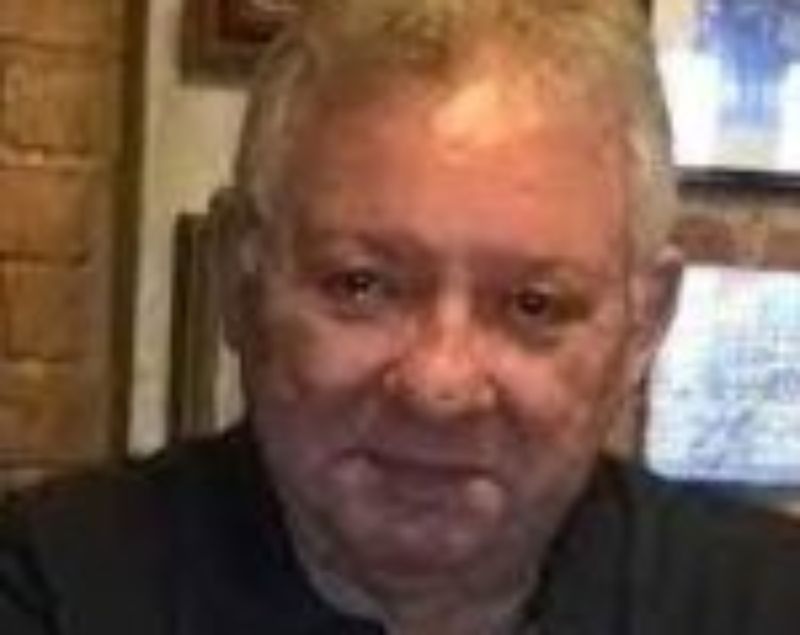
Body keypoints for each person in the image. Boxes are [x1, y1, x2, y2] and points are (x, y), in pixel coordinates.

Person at [3, 1, 800, 633]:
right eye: (362, 285)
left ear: (644, 324)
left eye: (533, 304)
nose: (438, 384)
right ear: (242, 285)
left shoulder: (767, 601)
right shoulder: (54, 587)